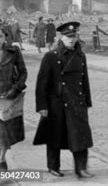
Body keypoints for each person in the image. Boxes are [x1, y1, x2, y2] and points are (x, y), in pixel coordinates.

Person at [33, 21, 94, 179]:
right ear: (61, 38)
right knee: (55, 136)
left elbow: (84, 80)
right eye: (68, 37)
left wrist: (87, 101)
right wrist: (42, 106)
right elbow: (42, 84)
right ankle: (53, 166)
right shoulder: (51, 57)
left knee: (81, 136)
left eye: (74, 36)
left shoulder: (80, 56)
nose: (72, 40)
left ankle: (81, 168)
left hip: (76, 102)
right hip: (57, 103)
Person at [0, 21, 27, 178]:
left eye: (1, 36)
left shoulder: (13, 51)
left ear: (5, 37)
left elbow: (23, 72)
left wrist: (16, 89)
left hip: (9, 99)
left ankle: (2, 159)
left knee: (7, 136)